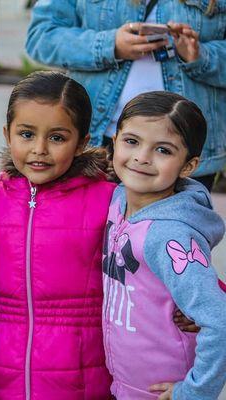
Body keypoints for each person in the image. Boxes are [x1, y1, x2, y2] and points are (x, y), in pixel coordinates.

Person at [0, 71, 115, 399]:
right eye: (26, 134)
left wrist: (190, 304)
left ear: (82, 142)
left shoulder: (109, 199)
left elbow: (154, 251)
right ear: (7, 134)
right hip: (9, 376)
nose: (39, 149)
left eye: (57, 138)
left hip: (84, 380)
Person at [25, 0, 226, 191]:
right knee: (93, 226)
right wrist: (109, 45)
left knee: (173, 225)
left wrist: (201, 56)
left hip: (181, 147)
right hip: (97, 141)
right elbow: (41, 37)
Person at [103, 91, 226, 399]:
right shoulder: (118, 199)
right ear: (114, 141)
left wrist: (194, 392)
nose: (142, 156)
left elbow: (220, 322)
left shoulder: (171, 235)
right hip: (122, 384)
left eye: (163, 150)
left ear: (188, 165)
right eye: (131, 141)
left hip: (160, 391)